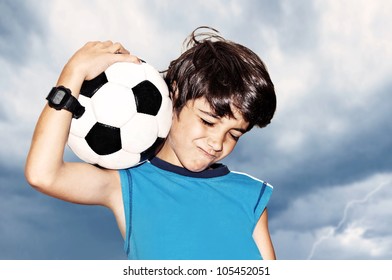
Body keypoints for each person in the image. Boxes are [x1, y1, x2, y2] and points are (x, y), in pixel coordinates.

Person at [25, 27, 277, 260]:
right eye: (208, 121)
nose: (217, 142)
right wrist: (73, 72)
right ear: (175, 94)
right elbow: (43, 175)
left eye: (234, 134)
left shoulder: (250, 195)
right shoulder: (127, 185)